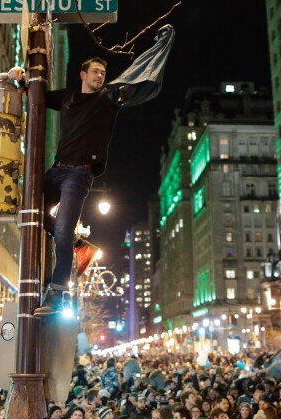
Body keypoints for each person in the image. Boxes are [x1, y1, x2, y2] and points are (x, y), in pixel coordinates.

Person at [31, 24, 176, 315]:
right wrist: (21, 80)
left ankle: (56, 294)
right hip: (57, 171)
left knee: (60, 231)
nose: (100, 77)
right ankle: (78, 244)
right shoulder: (69, 97)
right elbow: (39, 96)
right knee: (33, 212)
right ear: (83, 75)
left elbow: (137, 75)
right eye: (95, 72)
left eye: (103, 73)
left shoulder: (109, 98)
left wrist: (162, 44)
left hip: (78, 175)